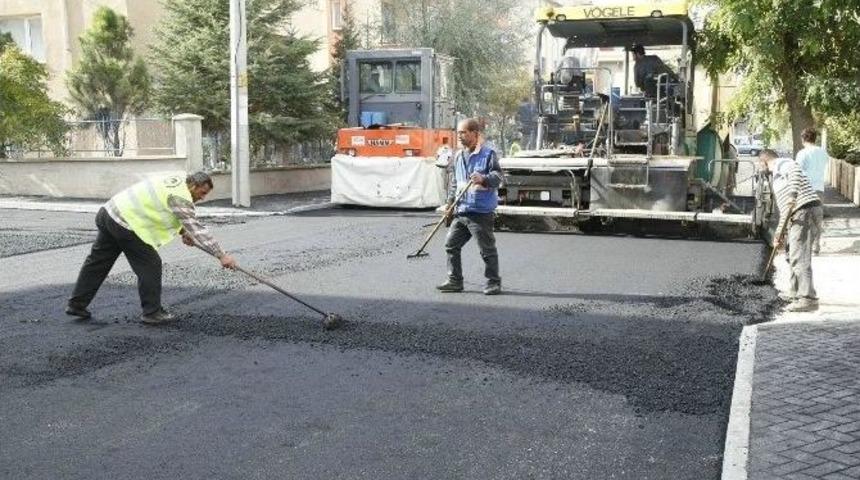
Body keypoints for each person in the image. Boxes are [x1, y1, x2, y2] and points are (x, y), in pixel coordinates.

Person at [65, 171, 237, 325]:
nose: (203, 198)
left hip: (109, 213)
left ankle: (76, 304)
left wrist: (183, 231)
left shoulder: (177, 180)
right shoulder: (181, 197)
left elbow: (161, 208)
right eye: (202, 193)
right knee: (150, 264)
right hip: (125, 223)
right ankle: (152, 313)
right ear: (193, 186)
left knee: (97, 262)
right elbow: (198, 229)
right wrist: (221, 255)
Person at [437, 118, 504, 295]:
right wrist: (449, 205)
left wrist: (483, 178)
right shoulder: (459, 156)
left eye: (463, 133)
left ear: (475, 134)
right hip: (462, 211)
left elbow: (498, 177)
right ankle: (455, 281)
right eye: (458, 133)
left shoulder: (488, 154)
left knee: (486, 250)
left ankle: (493, 282)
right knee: (451, 244)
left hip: (480, 212)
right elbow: (455, 183)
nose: (460, 136)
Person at [759, 149, 823, 312]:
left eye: (760, 165)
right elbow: (785, 211)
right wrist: (779, 234)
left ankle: (808, 299)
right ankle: (795, 292)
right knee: (790, 253)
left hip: (805, 210)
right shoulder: (777, 177)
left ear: (764, 161)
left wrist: (793, 195)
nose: (760, 169)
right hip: (798, 212)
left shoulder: (782, 163)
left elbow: (795, 170)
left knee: (799, 255)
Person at [795, 127, 829, 253]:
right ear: (815, 138)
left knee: (804, 218)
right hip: (819, 188)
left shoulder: (802, 153)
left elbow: (797, 171)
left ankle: (806, 246)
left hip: (805, 189)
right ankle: (816, 245)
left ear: (803, 139)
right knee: (817, 219)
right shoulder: (823, 153)